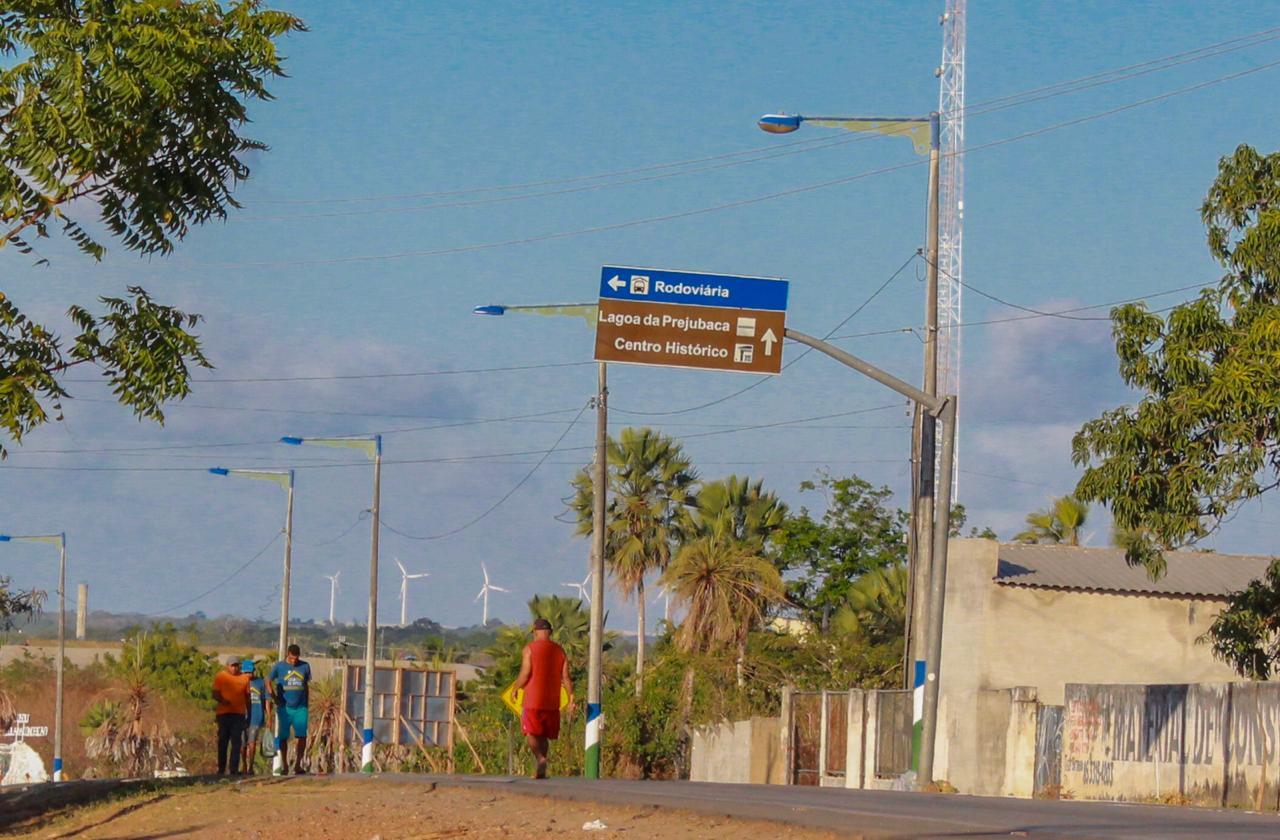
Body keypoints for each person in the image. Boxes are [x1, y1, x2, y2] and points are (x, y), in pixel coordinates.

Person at [512, 617, 574, 779]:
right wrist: (571, 697)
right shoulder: (560, 651)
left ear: (535, 632)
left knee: (531, 733)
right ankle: (542, 769)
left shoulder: (529, 649)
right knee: (544, 735)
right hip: (553, 702)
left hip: (533, 700)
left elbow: (525, 673)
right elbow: (566, 677)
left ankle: (540, 759)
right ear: (550, 632)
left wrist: (515, 688)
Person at [269, 644, 312, 775]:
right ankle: (285, 765)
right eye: (292, 658)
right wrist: (274, 696)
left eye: (296, 658)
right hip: (285, 707)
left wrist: (306, 702)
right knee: (283, 737)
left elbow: (306, 685)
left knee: (302, 736)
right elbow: (268, 680)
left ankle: (298, 765)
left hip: (300, 707)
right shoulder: (279, 666)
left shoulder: (305, 666)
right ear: (288, 654)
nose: (294, 661)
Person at [211, 655, 251, 775]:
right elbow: (215, 693)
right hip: (224, 714)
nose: (234, 668)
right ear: (227, 666)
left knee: (236, 742)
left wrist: (249, 713)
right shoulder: (221, 677)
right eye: (232, 666)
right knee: (223, 741)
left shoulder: (245, 678)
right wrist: (223, 701)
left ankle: (233, 768)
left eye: (236, 666)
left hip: (238, 714)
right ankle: (221, 768)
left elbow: (247, 697)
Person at [241, 659, 268, 775]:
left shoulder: (260, 683)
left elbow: (266, 701)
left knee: (252, 743)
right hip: (242, 718)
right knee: (242, 744)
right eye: (246, 672)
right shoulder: (239, 683)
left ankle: (251, 766)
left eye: (250, 672)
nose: (248, 675)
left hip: (256, 717)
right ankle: (244, 765)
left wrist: (269, 716)